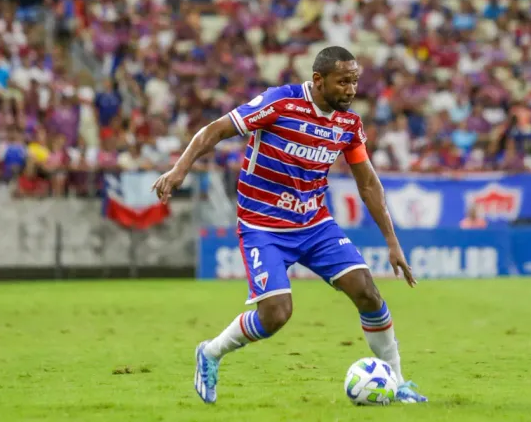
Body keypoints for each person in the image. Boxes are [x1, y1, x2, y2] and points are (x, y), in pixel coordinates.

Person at [152, 46, 428, 405]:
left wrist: (392, 241)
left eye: (355, 82)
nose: (351, 89)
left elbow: (368, 183)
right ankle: (210, 352)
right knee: (276, 314)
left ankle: (398, 381)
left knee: (367, 292)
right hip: (262, 226)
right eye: (343, 82)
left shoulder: (348, 124)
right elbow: (215, 130)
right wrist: (179, 169)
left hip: (315, 224)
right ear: (319, 80)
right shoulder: (280, 103)